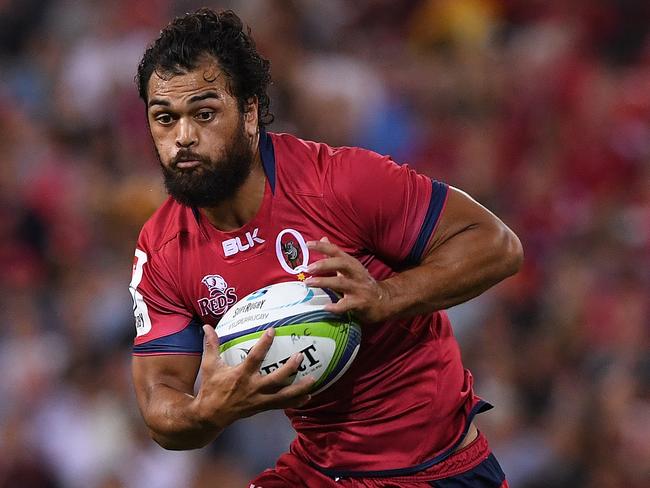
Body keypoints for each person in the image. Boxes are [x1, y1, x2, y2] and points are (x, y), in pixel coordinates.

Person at [129, 8, 523, 488]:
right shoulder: (164, 248)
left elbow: (498, 245)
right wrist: (207, 411)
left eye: (205, 113)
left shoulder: (339, 182)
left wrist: (386, 298)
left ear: (250, 112)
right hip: (322, 471)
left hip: (436, 470)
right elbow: (159, 404)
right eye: (165, 118)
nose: (183, 137)